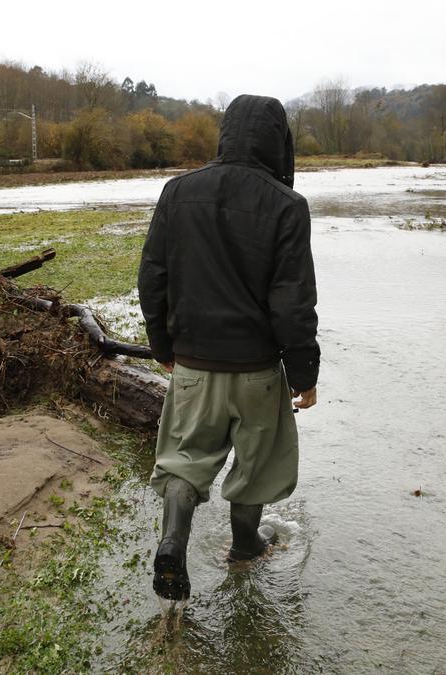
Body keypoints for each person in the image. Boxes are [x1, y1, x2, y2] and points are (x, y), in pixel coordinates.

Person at [137, 94, 320, 601]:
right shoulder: (288, 205)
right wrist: (304, 374)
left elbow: (152, 276)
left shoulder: (177, 192)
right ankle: (245, 547)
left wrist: (162, 347)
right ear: (278, 141)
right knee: (258, 465)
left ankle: (173, 540)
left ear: (225, 133)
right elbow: (292, 300)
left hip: (194, 365)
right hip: (259, 371)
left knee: (182, 461)